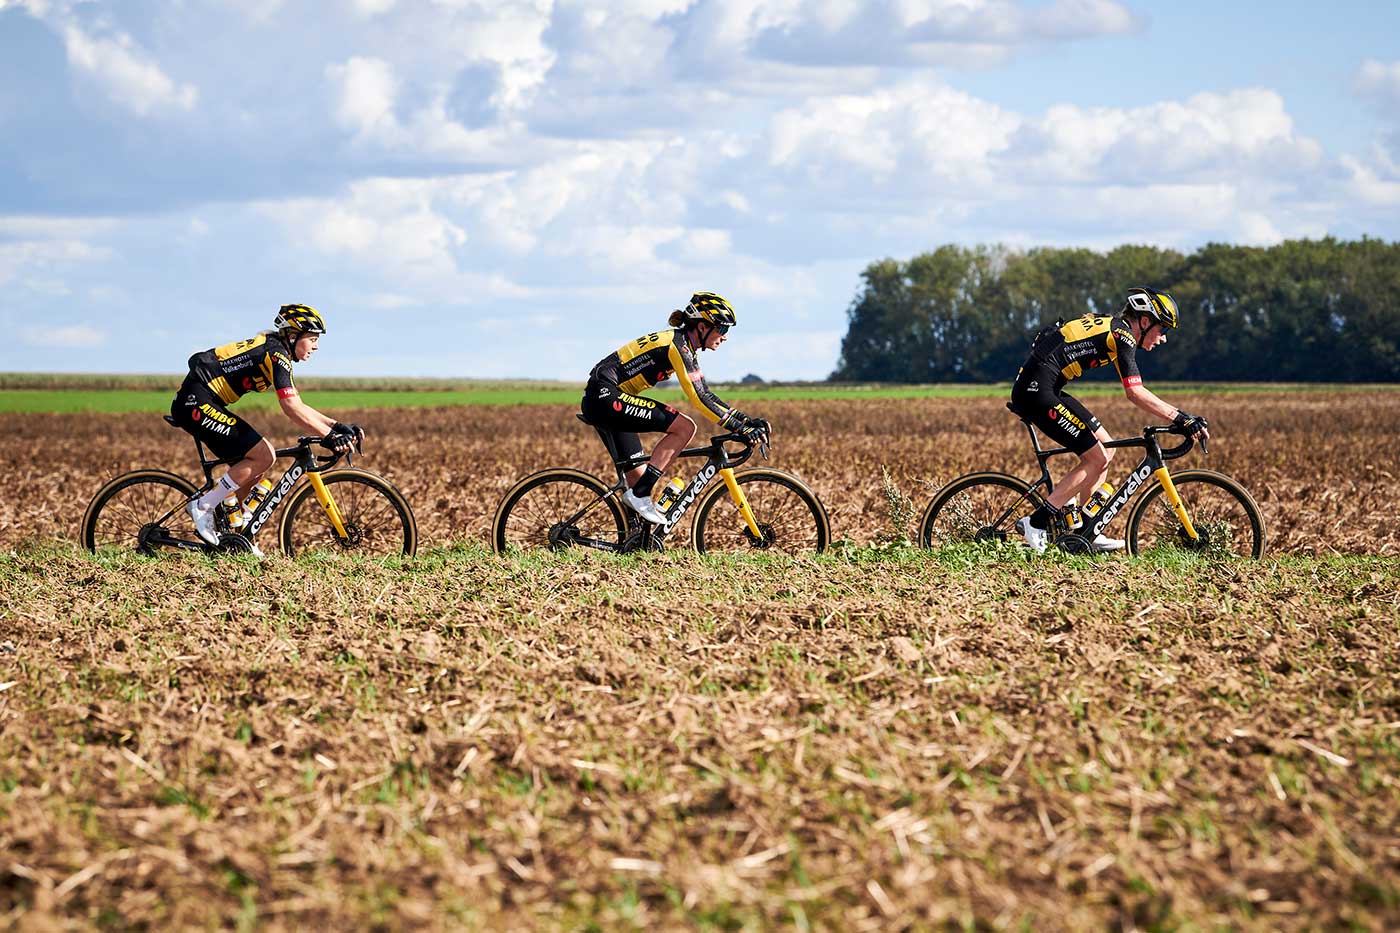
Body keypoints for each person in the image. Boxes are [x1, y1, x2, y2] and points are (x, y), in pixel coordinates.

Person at [1009, 286, 1209, 553]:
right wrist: (1182, 418)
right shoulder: (1122, 335)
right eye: (1163, 329)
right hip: (1037, 391)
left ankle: (1087, 530)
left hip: (1045, 386)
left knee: (1107, 447)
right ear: (1145, 321)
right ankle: (1037, 522)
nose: (1162, 338)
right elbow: (1135, 393)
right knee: (1097, 457)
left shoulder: (1115, 332)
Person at [170, 304, 364, 549]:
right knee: (263, 455)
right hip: (195, 401)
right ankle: (203, 507)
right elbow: (291, 408)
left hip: (204, 400)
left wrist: (336, 427)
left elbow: (299, 404)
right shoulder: (276, 354)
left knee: (255, 469)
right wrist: (328, 436)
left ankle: (234, 539)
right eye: (313, 339)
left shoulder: (278, 353)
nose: (316, 346)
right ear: (293, 336)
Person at [582, 292, 768, 524]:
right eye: (722, 329)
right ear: (702, 326)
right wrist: (740, 427)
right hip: (605, 397)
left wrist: (745, 421)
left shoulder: (684, 346)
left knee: (638, 480)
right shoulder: (677, 346)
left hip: (606, 398)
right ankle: (639, 495)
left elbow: (706, 393)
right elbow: (699, 398)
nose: (725, 337)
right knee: (684, 427)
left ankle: (634, 541)